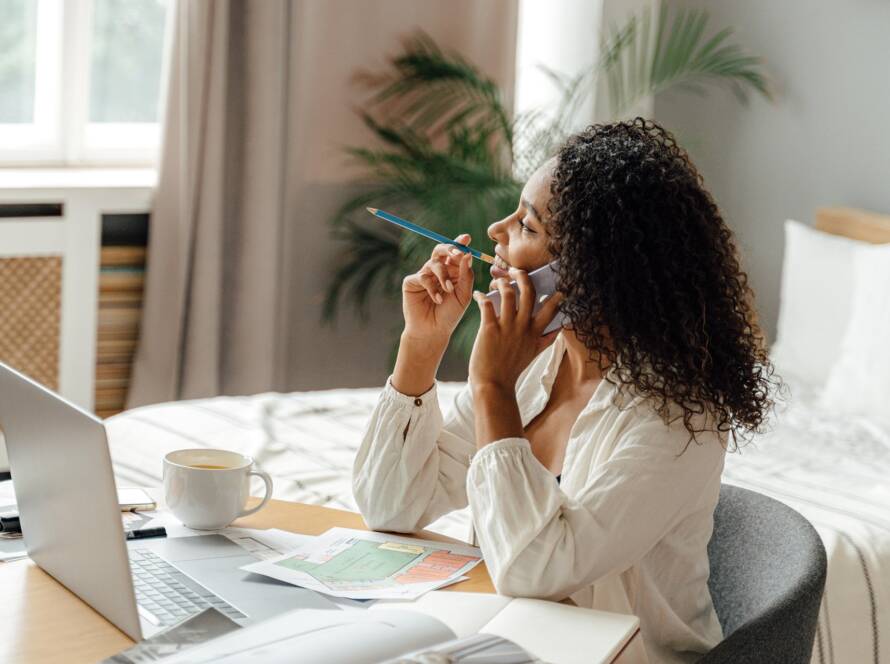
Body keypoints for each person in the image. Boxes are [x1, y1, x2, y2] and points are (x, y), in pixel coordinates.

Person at [352, 118, 777, 664]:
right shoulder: (539, 364)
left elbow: (537, 571)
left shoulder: (676, 418)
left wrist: (491, 387)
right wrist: (421, 346)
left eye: (526, 226)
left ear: (590, 269)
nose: (496, 232)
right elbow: (390, 506)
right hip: (515, 646)